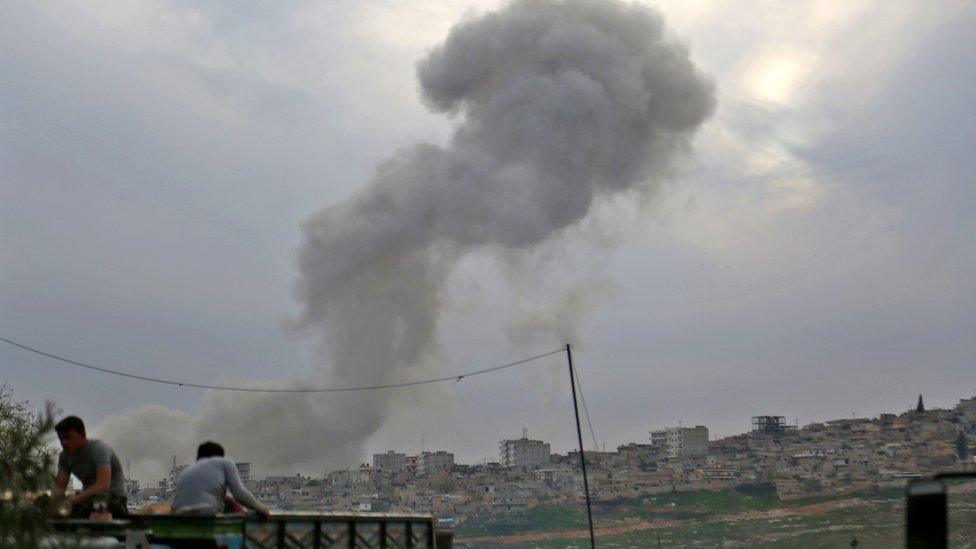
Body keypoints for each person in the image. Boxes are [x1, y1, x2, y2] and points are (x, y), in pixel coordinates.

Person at [52, 416, 128, 518]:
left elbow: (103, 486)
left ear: (82, 435)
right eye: (61, 439)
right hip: (88, 500)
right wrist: (54, 506)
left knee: (87, 509)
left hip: (113, 499)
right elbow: (59, 489)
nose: (64, 443)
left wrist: (75, 499)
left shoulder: (99, 449)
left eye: (68, 437)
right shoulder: (65, 456)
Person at [171, 441, 270, 518]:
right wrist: (261, 509)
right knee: (232, 505)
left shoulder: (187, 470)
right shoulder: (225, 463)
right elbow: (239, 494)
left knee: (228, 500)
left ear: (198, 457)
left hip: (179, 517)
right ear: (221, 456)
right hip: (207, 516)